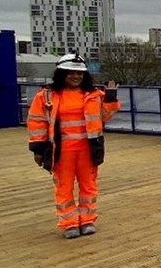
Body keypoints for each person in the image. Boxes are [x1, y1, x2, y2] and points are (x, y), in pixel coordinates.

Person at [27, 53, 120, 239]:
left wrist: (111, 98)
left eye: (79, 73)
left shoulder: (94, 95)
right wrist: (38, 149)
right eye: (71, 73)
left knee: (89, 186)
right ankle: (69, 223)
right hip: (61, 150)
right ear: (62, 73)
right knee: (64, 187)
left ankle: (87, 220)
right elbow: (36, 122)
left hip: (88, 148)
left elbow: (105, 116)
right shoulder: (45, 96)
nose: (76, 77)